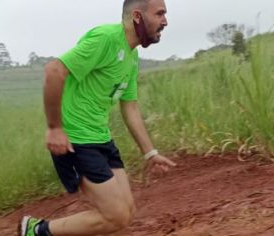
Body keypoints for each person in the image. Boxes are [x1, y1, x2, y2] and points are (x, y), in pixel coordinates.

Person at [19, 0, 176, 235]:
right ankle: (36, 231)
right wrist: (54, 128)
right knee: (116, 215)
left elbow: (130, 108)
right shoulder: (106, 38)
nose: (165, 21)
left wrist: (150, 153)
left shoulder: (131, 57)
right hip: (76, 141)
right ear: (137, 16)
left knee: (127, 212)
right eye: (160, 13)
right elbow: (54, 71)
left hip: (101, 140)